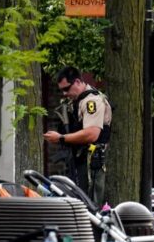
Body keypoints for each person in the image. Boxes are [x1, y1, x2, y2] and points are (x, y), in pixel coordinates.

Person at [43, 66, 112, 206]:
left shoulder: (92, 101)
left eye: (66, 89)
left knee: (90, 204)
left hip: (92, 162)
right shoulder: (77, 101)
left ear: (77, 82)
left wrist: (61, 138)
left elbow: (92, 134)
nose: (64, 93)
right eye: (62, 90)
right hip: (80, 160)